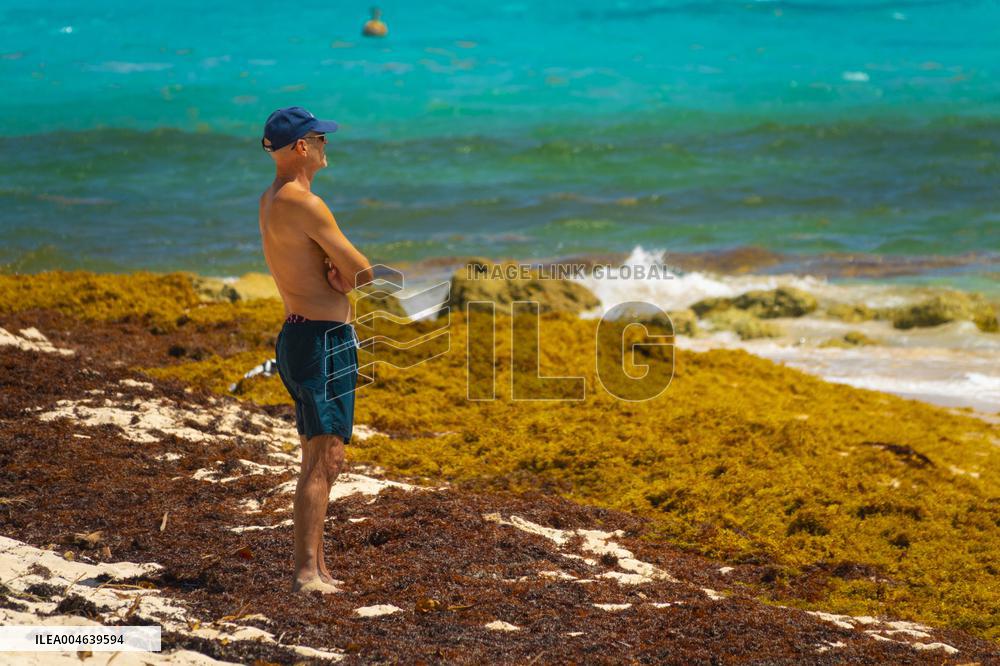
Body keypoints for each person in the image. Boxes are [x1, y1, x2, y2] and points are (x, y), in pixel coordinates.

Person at [258, 106, 374, 594]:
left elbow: (320, 269)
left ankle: (318, 568)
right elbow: (362, 271)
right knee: (322, 459)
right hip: (322, 341)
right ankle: (307, 573)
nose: (327, 145)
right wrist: (343, 278)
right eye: (321, 139)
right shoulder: (306, 203)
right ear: (302, 147)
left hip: (298, 335)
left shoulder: (272, 198)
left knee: (321, 456)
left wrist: (333, 278)